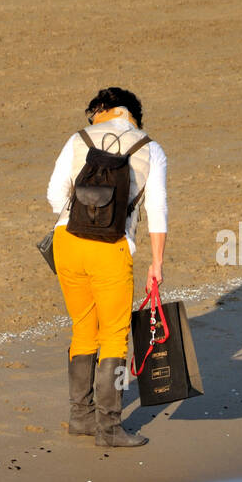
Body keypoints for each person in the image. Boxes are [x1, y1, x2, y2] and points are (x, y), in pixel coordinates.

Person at [46, 87, 167, 448]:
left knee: (83, 328)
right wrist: (156, 263)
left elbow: (55, 197)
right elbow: (158, 211)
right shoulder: (150, 149)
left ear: (103, 110)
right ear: (132, 113)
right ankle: (110, 427)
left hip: (67, 241)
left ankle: (81, 417)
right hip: (111, 248)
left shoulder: (77, 139)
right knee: (114, 335)